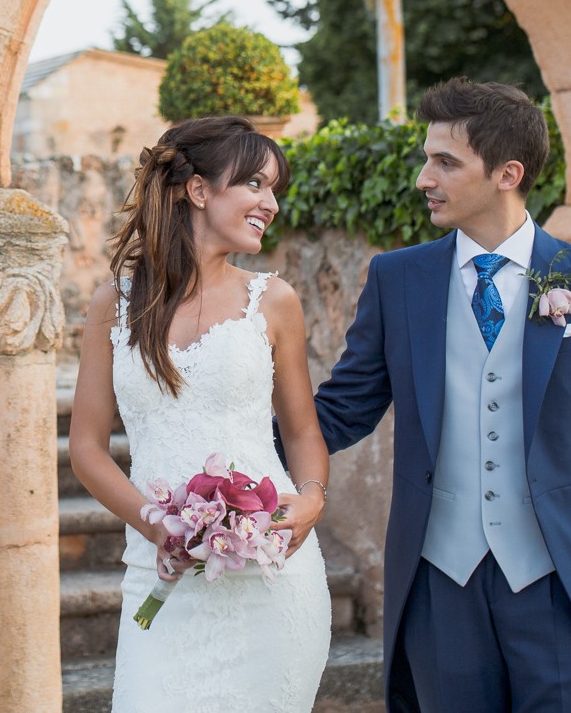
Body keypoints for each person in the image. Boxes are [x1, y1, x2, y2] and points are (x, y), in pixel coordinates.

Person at [314, 79, 571, 710]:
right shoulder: (397, 280)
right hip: (439, 586)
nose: (424, 178)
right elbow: (342, 411)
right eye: (427, 159)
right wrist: (235, 450)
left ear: (508, 172)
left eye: (445, 162)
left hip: (563, 588)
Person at [68, 114, 332, 711]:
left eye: (275, 190)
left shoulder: (275, 301)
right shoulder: (115, 303)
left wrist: (311, 498)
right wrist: (153, 522)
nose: (271, 203)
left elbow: (302, 430)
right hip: (164, 568)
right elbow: (86, 448)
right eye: (256, 185)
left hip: (273, 574)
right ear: (198, 190)